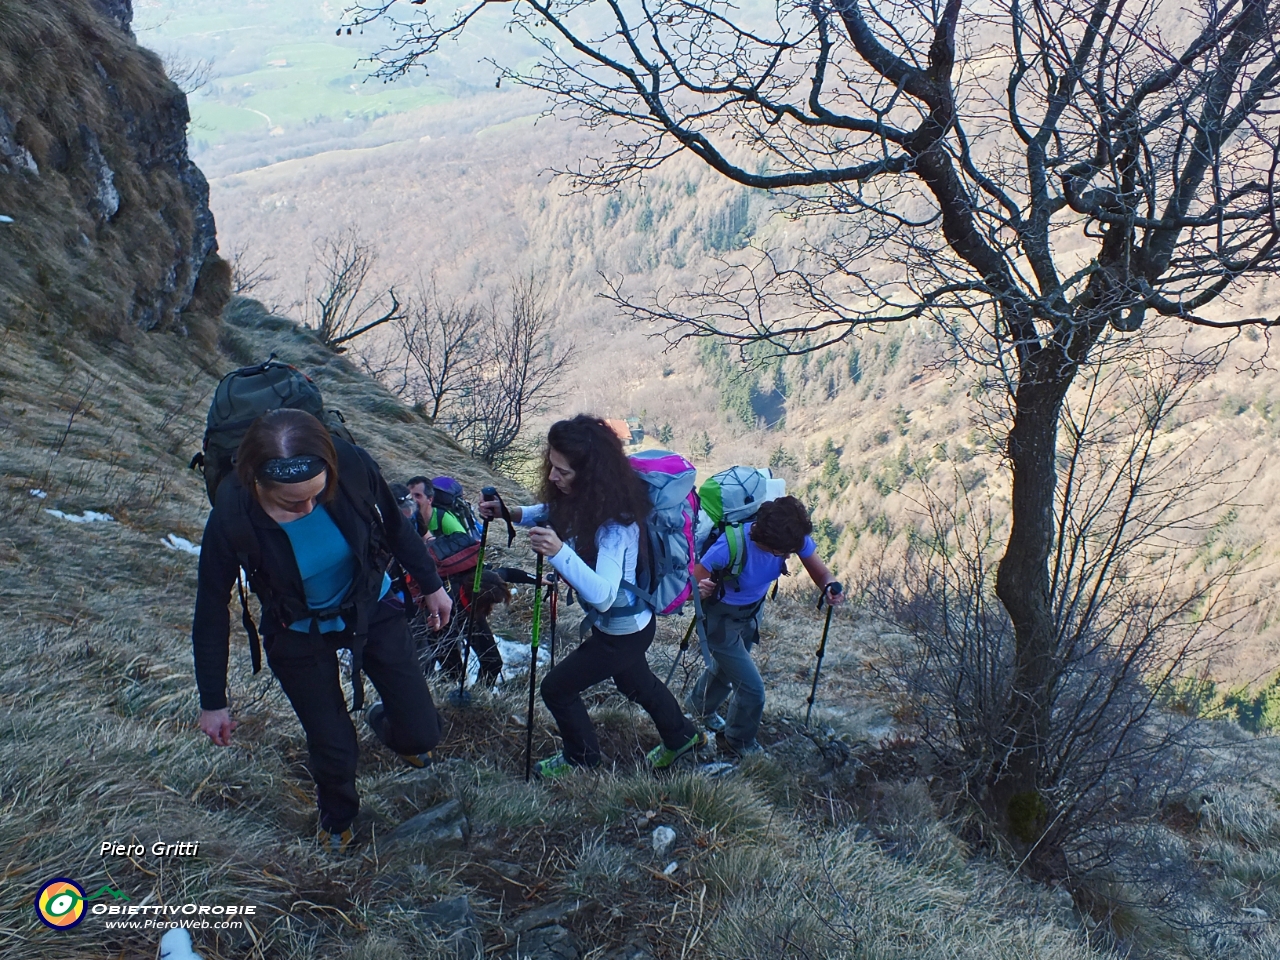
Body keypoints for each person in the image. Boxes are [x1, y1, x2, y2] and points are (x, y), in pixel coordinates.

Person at [191, 409, 453, 854]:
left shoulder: (349, 465)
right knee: (332, 743)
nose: (308, 508)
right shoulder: (232, 513)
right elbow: (211, 606)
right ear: (255, 483)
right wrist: (213, 701)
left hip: (370, 606)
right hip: (296, 630)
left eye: (318, 495)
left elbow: (394, 526)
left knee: (422, 732)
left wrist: (432, 586)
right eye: (292, 503)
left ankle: (392, 729)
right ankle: (337, 820)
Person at [479, 414, 702, 777]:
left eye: (562, 472)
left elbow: (603, 595)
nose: (553, 477)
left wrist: (557, 553)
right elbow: (554, 511)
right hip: (629, 627)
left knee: (556, 689)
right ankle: (682, 737)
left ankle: (581, 757)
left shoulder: (617, 525)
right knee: (637, 683)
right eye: (551, 467)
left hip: (620, 632)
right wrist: (511, 513)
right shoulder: (590, 500)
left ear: (589, 474)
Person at [688, 495, 843, 756]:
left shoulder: (791, 538)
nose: (787, 556)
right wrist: (698, 590)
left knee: (727, 670)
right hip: (719, 620)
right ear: (768, 541)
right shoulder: (730, 546)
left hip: (751, 614)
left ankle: (698, 709)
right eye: (783, 553)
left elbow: (821, 572)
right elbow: (690, 583)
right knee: (753, 690)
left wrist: (828, 586)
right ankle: (739, 742)